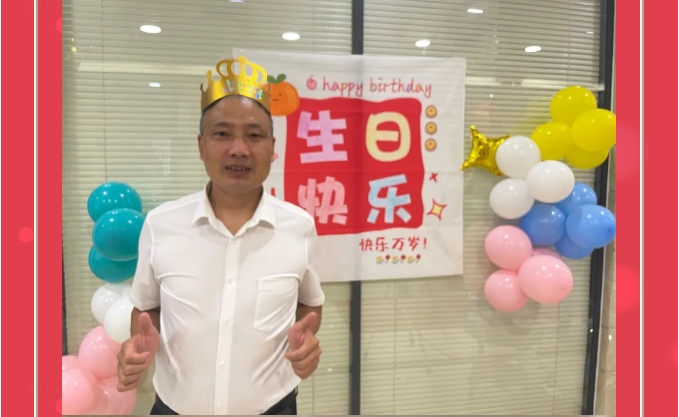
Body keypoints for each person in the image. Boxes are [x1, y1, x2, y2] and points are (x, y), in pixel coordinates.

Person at [116, 57, 325, 415]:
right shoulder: (161, 224)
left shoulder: (299, 227)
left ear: (273, 147)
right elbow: (146, 307)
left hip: (274, 407)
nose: (239, 149)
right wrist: (139, 342)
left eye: (254, 135)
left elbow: (310, 302)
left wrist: (307, 339)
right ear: (201, 145)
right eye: (222, 133)